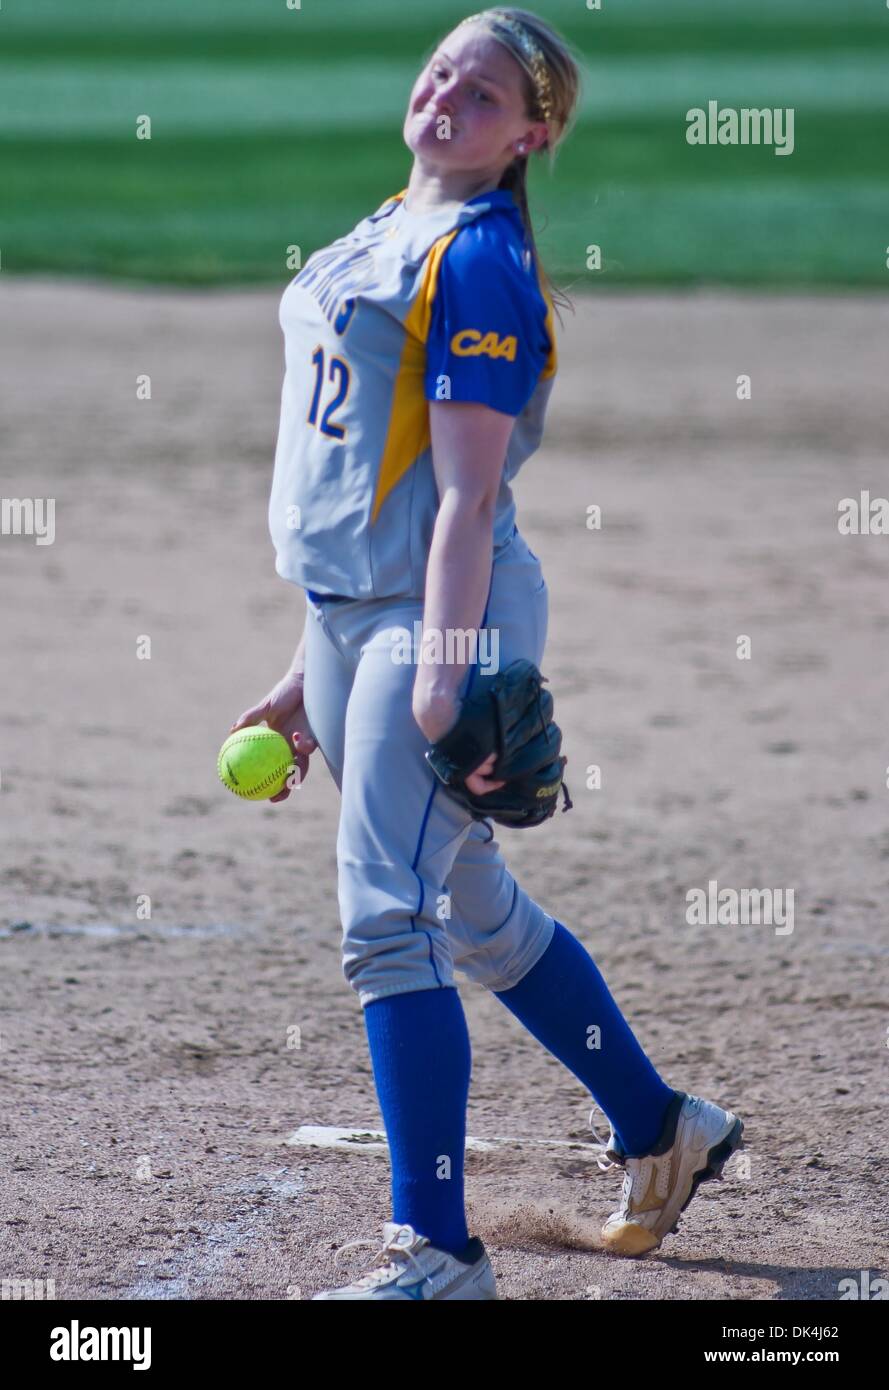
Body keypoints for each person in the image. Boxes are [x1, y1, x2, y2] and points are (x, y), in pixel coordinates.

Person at [230, 7, 744, 1301]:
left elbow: (461, 503)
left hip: (435, 614)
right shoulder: (381, 229)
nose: (449, 87)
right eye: (443, 64)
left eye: (488, 85)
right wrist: (309, 668)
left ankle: (438, 1256)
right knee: (464, 903)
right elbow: (366, 480)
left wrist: (444, 672)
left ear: (534, 131)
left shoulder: (478, 263)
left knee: (385, 923)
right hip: (362, 613)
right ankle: (658, 1126)